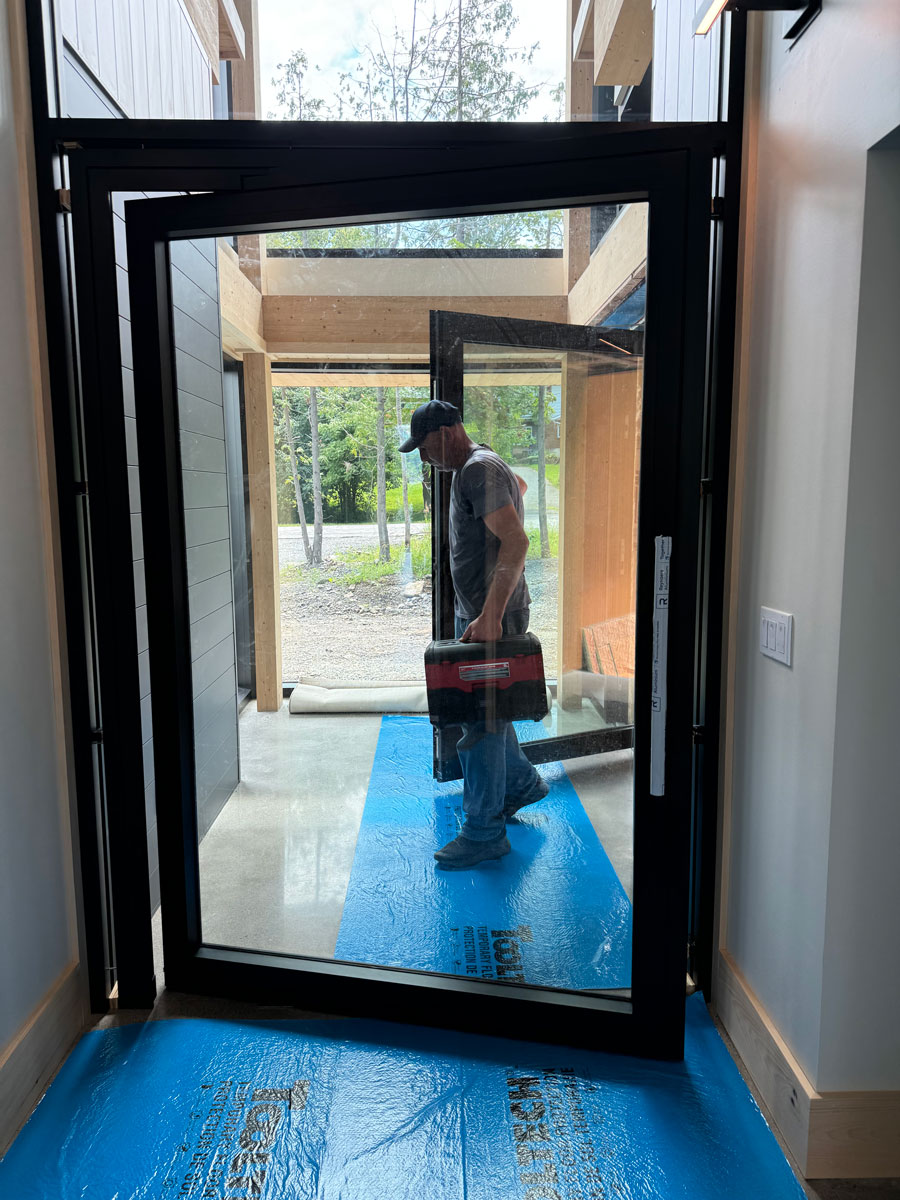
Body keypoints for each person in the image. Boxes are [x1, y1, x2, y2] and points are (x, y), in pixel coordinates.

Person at [400, 399, 549, 869]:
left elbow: (517, 540)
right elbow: (518, 487)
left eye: (425, 448)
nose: (425, 459)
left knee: (480, 723)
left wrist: (490, 615)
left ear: (446, 433)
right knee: (491, 711)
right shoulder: (483, 464)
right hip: (484, 614)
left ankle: (484, 833)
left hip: (492, 618)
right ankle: (521, 784)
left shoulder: (476, 470)